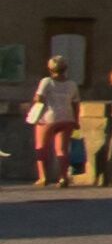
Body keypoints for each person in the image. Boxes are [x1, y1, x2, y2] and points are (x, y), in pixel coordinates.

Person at [23, 55, 80, 187]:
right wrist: (76, 120)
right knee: (62, 150)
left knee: (42, 148)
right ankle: (63, 177)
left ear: (50, 68)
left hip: (48, 118)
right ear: (65, 68)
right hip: (67, 118)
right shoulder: (72, 84)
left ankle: (43, 177)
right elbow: (76, 104)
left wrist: (31, 104)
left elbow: (39, 99)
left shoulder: (47, 81)